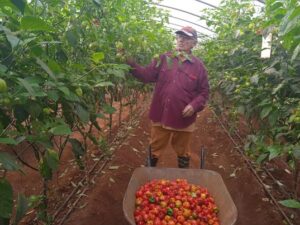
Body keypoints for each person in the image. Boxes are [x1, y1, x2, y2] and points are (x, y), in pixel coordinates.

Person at [126, 26, 209, 168]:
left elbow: (204, 92)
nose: (181, 40)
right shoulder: (164, 58)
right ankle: (149, 173)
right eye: (179, 37)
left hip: (184, 118)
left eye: (186, 38)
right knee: (154, 148)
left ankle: (182, 176)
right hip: (161, 115)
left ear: (194, 43)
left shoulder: (198, 66)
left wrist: (194, 105)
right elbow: (146, 76)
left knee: (183, 151)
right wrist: (130, 62)